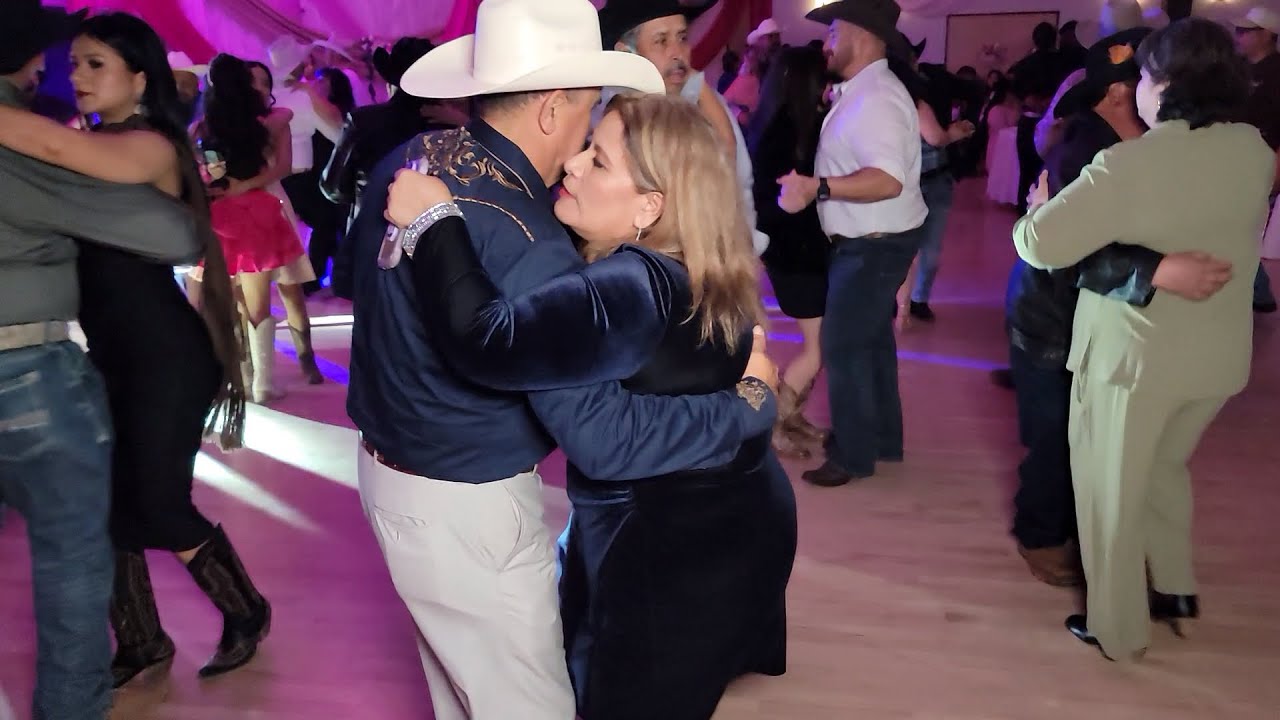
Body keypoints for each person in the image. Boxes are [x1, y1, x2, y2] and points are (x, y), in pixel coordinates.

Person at [346, 1, 779, 718]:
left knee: (464, 690)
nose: (581, 144)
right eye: (588, 113)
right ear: (553, 110)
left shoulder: (413, 159)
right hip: (467, 506)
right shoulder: (531, 241)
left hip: (389, 475)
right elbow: (602, 435)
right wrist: (747, 406)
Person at [0, 13, 271, 687]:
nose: (77, 76)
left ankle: (247, 608)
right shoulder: (92, 139)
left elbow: (61, 155)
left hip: (163, 353)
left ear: (140, 79)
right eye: (75, 65)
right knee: (109, 504)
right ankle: (142, 641)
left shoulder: (150, 144)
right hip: (111, 353)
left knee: (155, 498)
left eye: (97, 65)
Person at [1013, 18, 1273, 661]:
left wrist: (1036, 205)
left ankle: (1117, 628)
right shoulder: (1254, 150)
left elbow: (1040, 245)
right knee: (1163, 471)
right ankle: (1177, 592)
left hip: (1134, 363)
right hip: (1215, 361)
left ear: (1164, 84)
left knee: (1109, 493)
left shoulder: (1127, 163)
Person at [777, 0, 927, 486]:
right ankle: (882, 440)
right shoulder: (868, 92)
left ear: (860, 35)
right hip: (876, 240)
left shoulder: (876, 99)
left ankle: (854, 456)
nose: (827, 42)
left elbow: (887, 180)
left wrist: (817, 189)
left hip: (873, 243)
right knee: (871, 343)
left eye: (834, 31)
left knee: (842, 347)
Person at [600, 0, 770, 256]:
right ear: (627, 53)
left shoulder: (710, 106)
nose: (678, 52)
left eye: (682, 38)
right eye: (661, 41)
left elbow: (733, 184)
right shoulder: (609, 120)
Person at [197, 54, 321, 398]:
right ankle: (262, 378)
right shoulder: (270, 122)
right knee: (261, 297)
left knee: (240, 297)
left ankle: (252, 373)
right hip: (261, 209)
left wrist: (221, 185)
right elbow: (281, 162)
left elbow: (204, 171)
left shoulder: (206, 128)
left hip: (223, 211)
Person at [320, 36, 464, 299]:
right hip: (440, 244)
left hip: (373, 243)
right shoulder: (452, 126)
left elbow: (333, 188)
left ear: (391, 80)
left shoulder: (363, 121)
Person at [748, 45, 831, 458]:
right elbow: (780, 200)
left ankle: (792, 417)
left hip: (789, 248)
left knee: (819, 343)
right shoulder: (794, 129)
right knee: (821, 345)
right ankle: (777, 422)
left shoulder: (774, 123)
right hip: (797, 250)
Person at [1234, 7, 1280, 313]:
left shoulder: (1277, 73)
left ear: (1265, 34)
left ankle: (1258, 290)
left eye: (1245, 31)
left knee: (1246, 224)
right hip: (1233, 155)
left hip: (1263, 157)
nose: (1238, 36)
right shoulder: (1235, 69)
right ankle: (1256, 290)